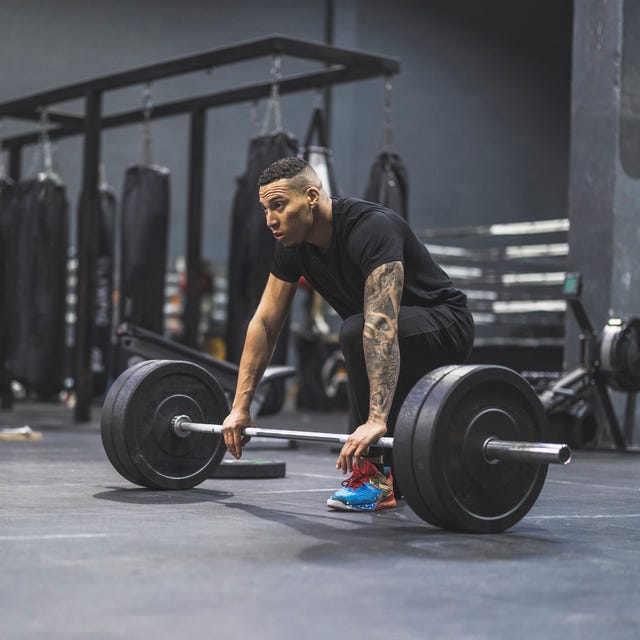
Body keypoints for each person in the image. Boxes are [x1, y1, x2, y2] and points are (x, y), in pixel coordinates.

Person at [222, 157, 474, 512]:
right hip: (387, 333)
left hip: (446, 324)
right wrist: (239, 408)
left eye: (278, 206)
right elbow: (265, 323)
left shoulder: (371, 228)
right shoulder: (293, 246)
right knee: (357, 329)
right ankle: (394, 474)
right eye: (265, 209)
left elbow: (381, 324)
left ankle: (373, 475)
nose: (270, 220)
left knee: (356, 329)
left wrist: (375, 422)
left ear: (311, 196)